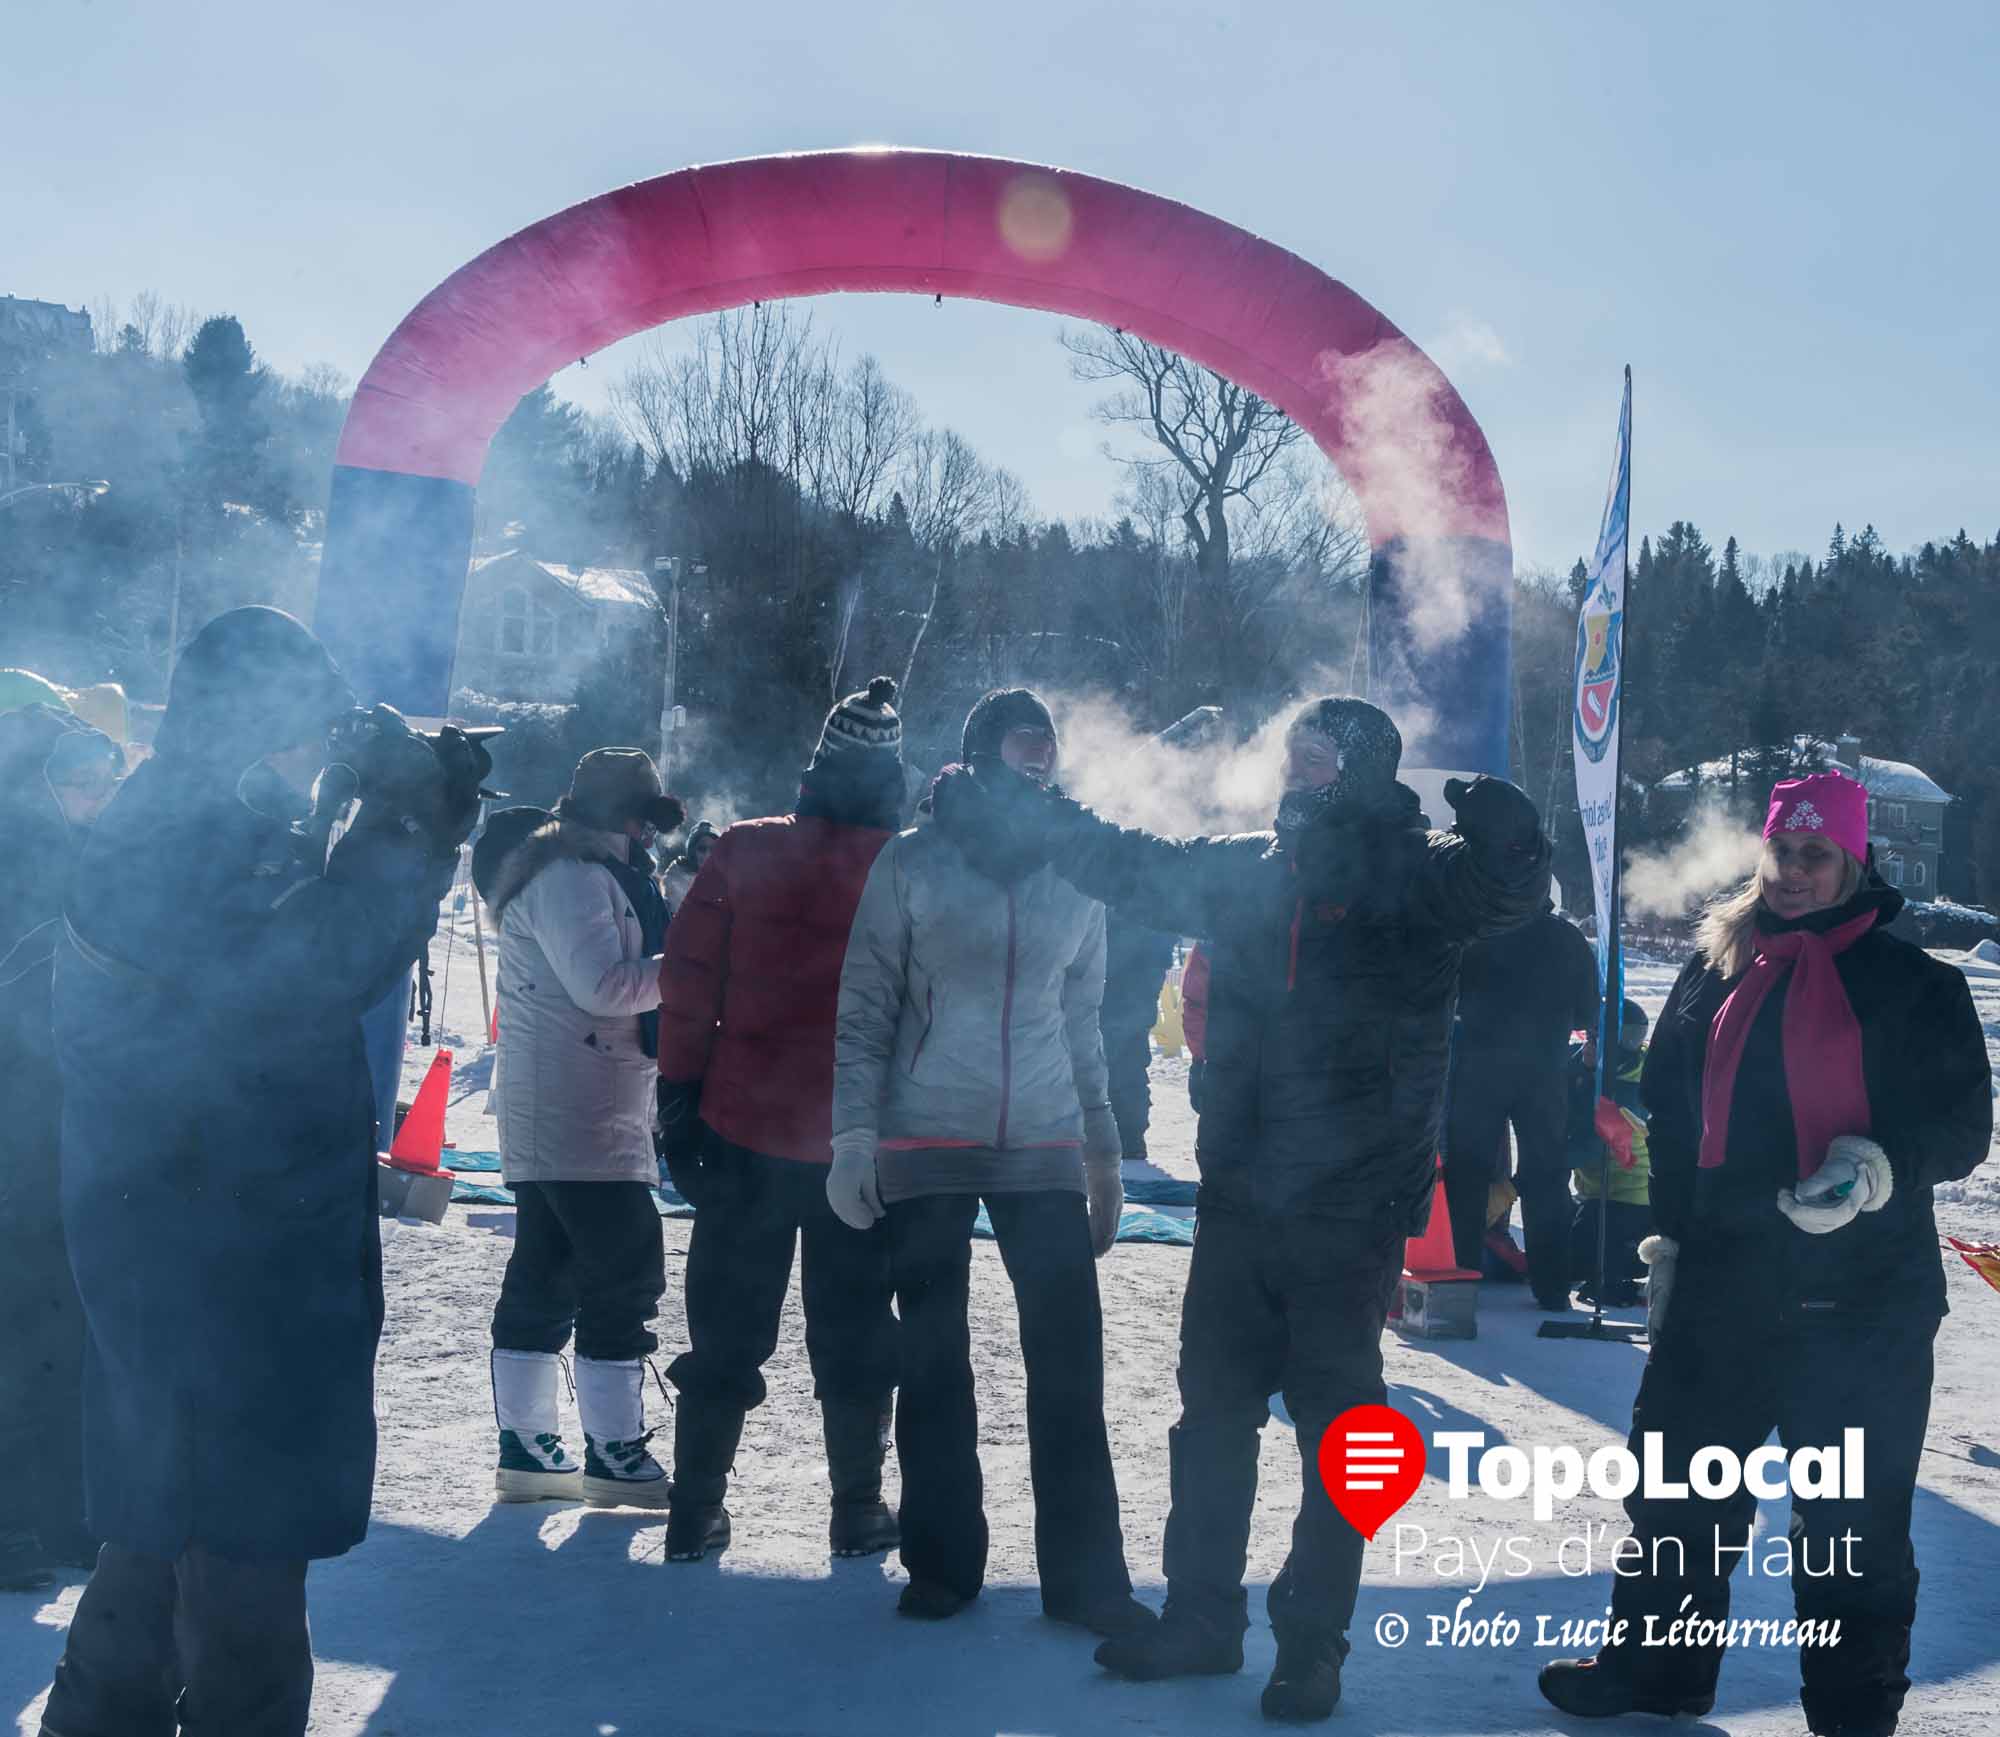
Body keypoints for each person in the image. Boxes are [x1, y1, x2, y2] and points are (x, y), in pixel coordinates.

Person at [961, 695, 1550, 1722]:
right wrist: (1030, 810)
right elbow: (1126, 861)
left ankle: (1310, 1646)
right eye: (1289, 753)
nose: (1291, 771)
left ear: (1361, 772)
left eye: (1314, 757)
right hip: (1237, 1191)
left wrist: (1510, 836)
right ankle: (1199, 1619)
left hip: (1351, 1198)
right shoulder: (1247, 868)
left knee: (1337, 1428)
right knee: (1212, 1415)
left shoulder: (1414, 876)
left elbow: (1506, 895)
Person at [40, 607, 475, 1737]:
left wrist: (404, 817)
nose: (310, 753)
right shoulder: (175, 839)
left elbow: (313, 949)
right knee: (234, 1563)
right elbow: (309, 970)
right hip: (212, 1257)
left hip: (203, 1245)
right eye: (302, 724)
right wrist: (404, 822)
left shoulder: (195, 818)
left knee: (158, 1542)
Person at [1539, 771, 1992, 1737]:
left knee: (1852, 1528)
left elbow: (1962, 1126)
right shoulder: (1718, 969)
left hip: (1862, 1303)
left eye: (1814, 854)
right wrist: (1668, 1242)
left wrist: (1875, 1169)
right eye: (1781, 851)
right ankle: (1657, 1672)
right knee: (1677, 1493)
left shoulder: (1919, 984)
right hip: (1722, 1287)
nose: (1792, 872)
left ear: (1853, 861)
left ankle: (1851, 1710)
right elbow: (1668, 1099)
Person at [829, 686, 1149, 1637]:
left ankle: (1089, 1581)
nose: (1036, 770)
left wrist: (1103, 1147)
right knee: (933, 1359)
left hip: (1046, 1136)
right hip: (928, 1131)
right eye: (1019, 753)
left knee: (1069, 1364)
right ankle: (941, 1562)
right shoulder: (912, 861)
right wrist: (855, 1135)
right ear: (974, 757)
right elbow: (865, 1009)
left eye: (1047, 755)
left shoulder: (1076, 871)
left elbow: (1083, 1017)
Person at [655, 677, 905, 1563]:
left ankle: (694, 1507)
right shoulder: (906, 862)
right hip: (862, 1143)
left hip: (741, 1129)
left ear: (818, 765)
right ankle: (858, 1506)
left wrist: (677, 1100)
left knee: (723, 1327)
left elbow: (687, 985)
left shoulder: (746, 850)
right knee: (857, 1328)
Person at [484, 750, 682, 1510]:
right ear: (628, 820)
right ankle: (612, 1448)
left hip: (582, 1103)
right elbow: (604, 987)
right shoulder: (572, 878)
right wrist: (692, 963)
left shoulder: (581, 870)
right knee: (622, 1271)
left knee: (548, 1272)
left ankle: (530, 1446)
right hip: (579, 1109)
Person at [0, 705, 122, 1591]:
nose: (97, 792)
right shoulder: (24, 864)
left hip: (69, 1116)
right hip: (23, 1118)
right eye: (78, 775)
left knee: (69, 1315)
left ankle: (57, 1509)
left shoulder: (93, 860)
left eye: (104, 774)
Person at [1444, 902, 1600, 1307]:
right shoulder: (1567, 937)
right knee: (1547, 1175)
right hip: (1544, 1073)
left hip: (1480, 1067)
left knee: (1468, 1173)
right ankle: (1551, 1286)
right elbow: (1587, 1010)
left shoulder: (1476, 928)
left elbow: (1447, 996)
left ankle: (1459, 1278)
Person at [1566, 997, 1652, 1305]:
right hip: (1594, 1194)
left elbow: (1587, 1146)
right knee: (1566, 1258)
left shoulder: (1624, 1091)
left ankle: (1624, 1275)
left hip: (1626, 1201)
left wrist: (1523, 1182)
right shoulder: (1598, 1069)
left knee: (1584, 1268)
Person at [1102, 913, 1177, 1170]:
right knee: (1125, 1059)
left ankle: (1127, 1138)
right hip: (1134, 974)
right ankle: (1128, 1139)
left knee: (1121, 1059)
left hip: (1126, 978)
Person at [662, 818, 719, 910]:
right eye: (702, 849)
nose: (707, 855)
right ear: (692, 852)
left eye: (713, 849)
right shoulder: (676, 880)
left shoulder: (724, 880)